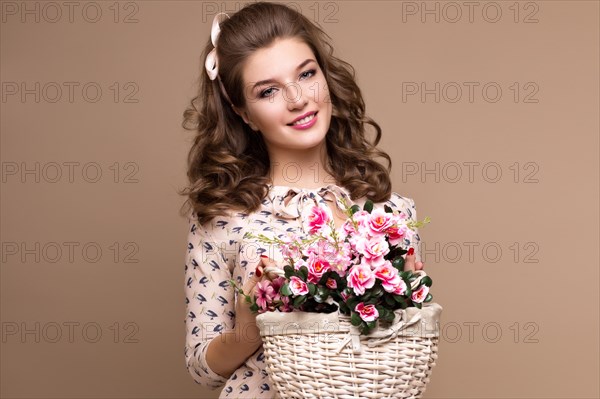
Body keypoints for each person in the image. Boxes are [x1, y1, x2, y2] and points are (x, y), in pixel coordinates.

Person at [179, 3, 426, 398]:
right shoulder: (222, 217)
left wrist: (410, 300)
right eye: (269, 90)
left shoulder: (390, 212)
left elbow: (407, 357)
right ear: (243, 112)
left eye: (307, 74)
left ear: (326, 78)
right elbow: (202, 369)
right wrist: (247, 329)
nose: (298, 99)